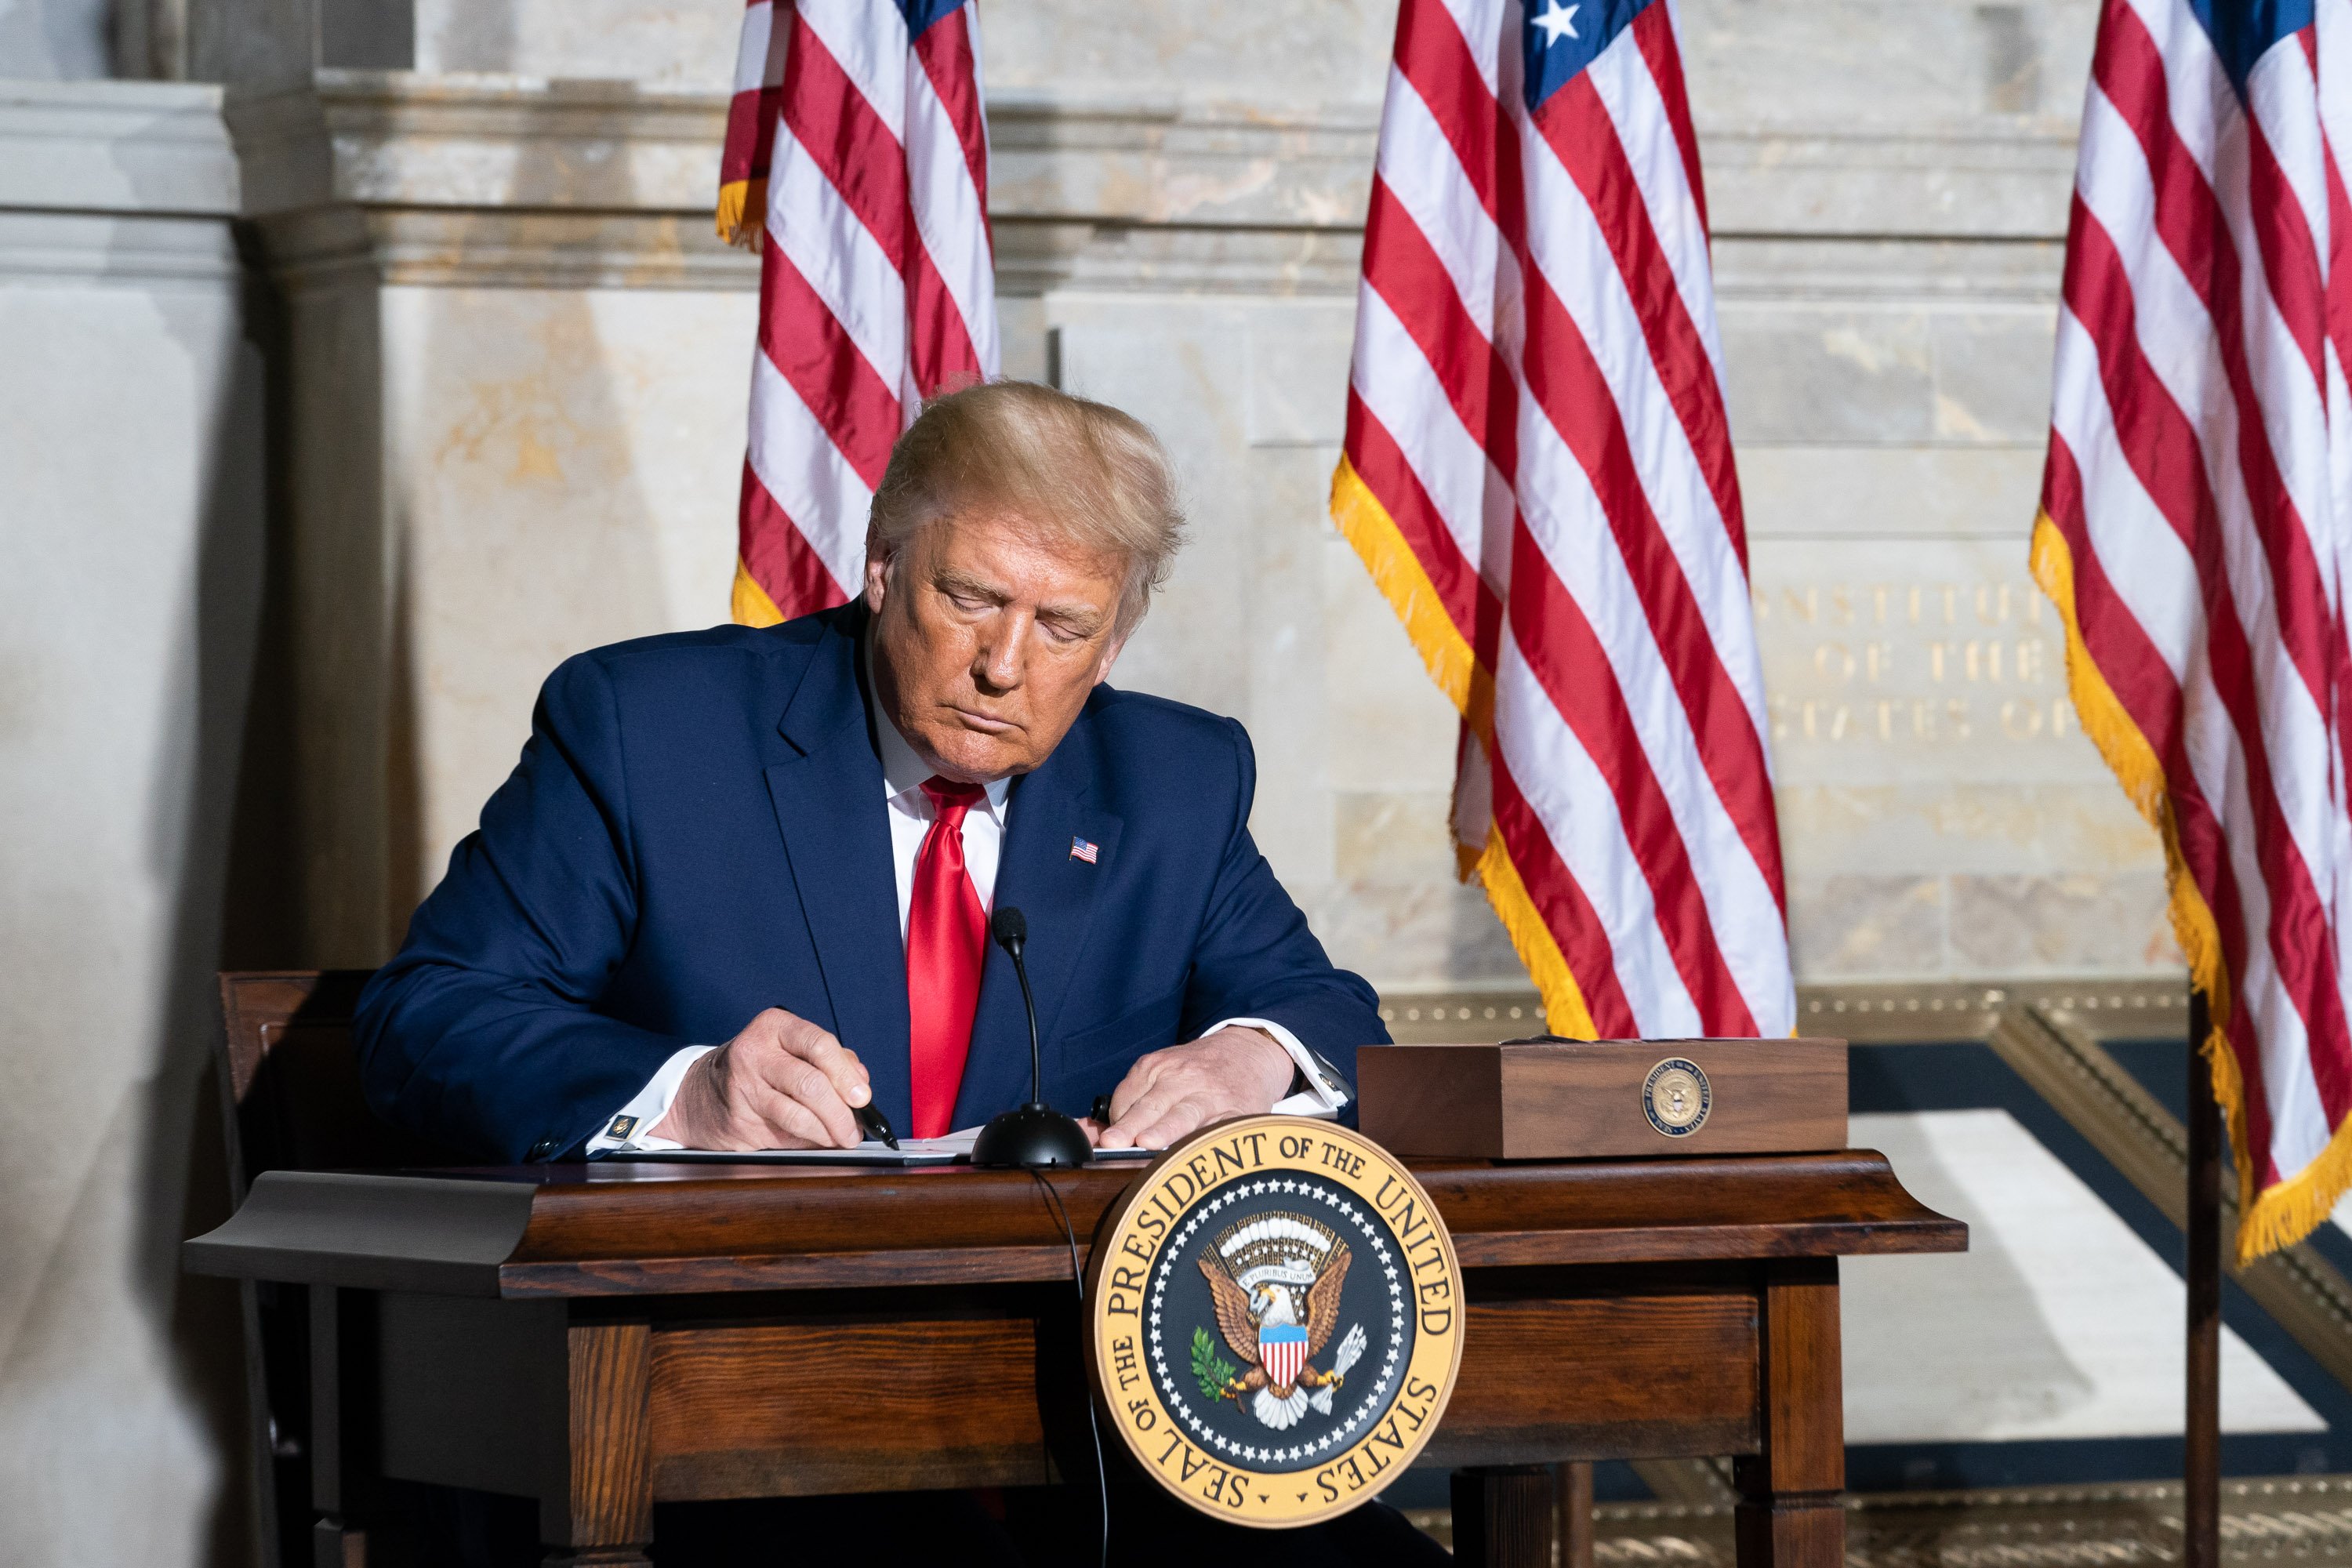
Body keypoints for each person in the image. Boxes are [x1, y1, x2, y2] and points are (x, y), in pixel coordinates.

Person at [355, 380, 1385, 1163]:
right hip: (728, 1342)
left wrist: (1249, 1060)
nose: (1004, 665)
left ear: (1114, 644)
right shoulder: (650, 733)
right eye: (973, 597)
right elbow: (425, 1019)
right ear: (884, 566)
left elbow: (1329, 1016)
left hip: (1065, 1357)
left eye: (1064, 625)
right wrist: (687, 1094)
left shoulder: (1173, 782)